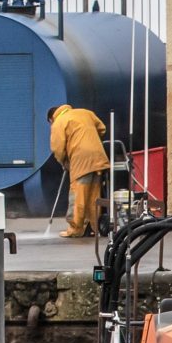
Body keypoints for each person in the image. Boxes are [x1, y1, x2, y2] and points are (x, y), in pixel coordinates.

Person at [48, 102, 109, 240]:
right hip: (99, 157)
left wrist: (63, 161)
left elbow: (57, 148)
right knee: (94, 195)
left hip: (81, 159)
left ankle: (75, 229)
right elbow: (102, 129)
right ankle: (93, 227)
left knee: (78, 194)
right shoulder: (86, 112)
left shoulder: (59, 122)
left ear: (52, 118)